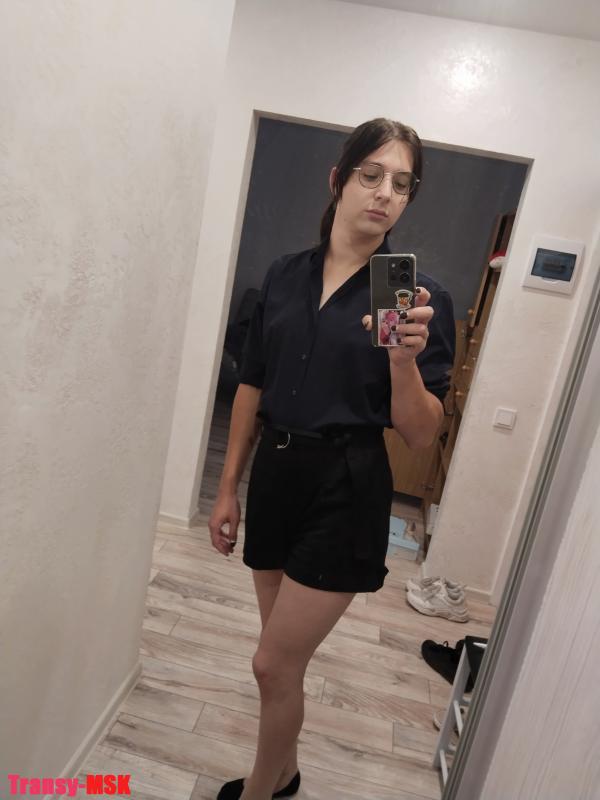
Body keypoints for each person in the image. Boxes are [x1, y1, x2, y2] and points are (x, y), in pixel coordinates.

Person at [209, 117, 455, 800]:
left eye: (401, 184)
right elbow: (252, 384)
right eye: (371, 175)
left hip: (347, 487)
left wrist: (403, 362)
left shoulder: (407, 293)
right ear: (339, 179)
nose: (384, 193)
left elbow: (420, 433)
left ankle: (261, 793)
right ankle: (284, 776)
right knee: (280, 665)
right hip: (276, 476)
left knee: (269, 664)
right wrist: (227, 487)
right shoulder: (285, 276)